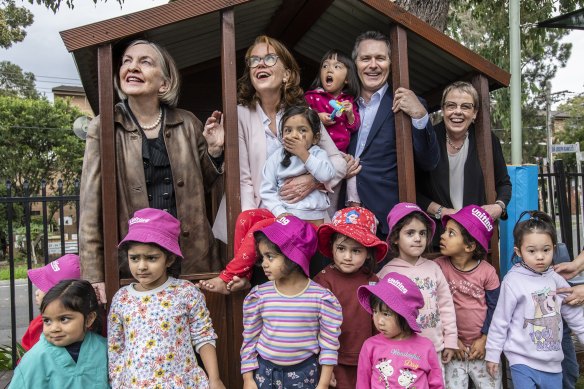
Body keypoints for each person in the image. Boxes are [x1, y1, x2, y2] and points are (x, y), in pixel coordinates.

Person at [79, 39, 225, 303]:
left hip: (190, 260)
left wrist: (214, 152)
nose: (132, 67)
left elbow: (203, 186)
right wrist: (93, 274)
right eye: (127, 61)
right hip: (136, 266)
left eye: (145, 62)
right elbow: (90, 206)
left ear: (164, 83)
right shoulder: (104, 127)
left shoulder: (188, 123)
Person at [211, 35, 349, 242]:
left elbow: (338, 162)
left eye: (269, 59)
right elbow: (243, 181)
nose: (260, 65)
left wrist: (312, 180)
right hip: (261, 218)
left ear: (287, 74)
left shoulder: (304, 113)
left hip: (307, 221)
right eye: (254, 61)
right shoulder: (238, 114)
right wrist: (254, 233)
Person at [200, 106, 335, 295]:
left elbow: (326, 174)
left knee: (259, 229)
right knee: (246, 218)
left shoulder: (317, 154)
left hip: (308, 223)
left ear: (315, 137)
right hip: (285, 217)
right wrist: (281, 214)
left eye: (302, 130)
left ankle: (229, 275)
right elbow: (267, 190)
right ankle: (244, 277)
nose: (294, 135)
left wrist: (304, 154)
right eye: (288, 130)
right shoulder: (277, 158)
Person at [108, 208, 224, 388]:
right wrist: (118, 383)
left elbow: (204, 336)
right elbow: (116, 348)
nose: (142, 266)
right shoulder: (121, 299)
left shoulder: (186, 292)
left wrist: (214, 379)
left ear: (169, 259)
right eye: (134, 258)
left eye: (151, 258)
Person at [346, 31, 440, 236]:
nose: (373, 65)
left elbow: (429, 161)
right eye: (365, 58)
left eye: (380, 58)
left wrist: (420, 115)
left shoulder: (407, 104)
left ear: (390, 62)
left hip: (387, 224)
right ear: (356, 64)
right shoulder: (344, 106)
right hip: (344, 222)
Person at [240, 216, 343, 389]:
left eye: (270, 257)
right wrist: (248, 379)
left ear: (292, 256)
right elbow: (250, 339)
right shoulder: (259, 296)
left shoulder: (321, 299)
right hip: (265, 374)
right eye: (263, 257)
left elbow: (329, 345)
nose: (263, 264)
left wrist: (323, 383)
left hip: (304, 375)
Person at [485, 211, 584, 388]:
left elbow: (574, 315)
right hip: (521, 360)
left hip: (553, 363)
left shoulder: (555, 279)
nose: (540, 256)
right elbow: (500, 321)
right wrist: (492, 354)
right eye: (532, 251)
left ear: (554, 248)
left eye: (546, 250)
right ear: (519, 251)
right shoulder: (512, 281)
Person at [416, 81, 511, 247]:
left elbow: (503, 183)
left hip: (475, 237)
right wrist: (441, 211)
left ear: (474, 113)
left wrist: (498, 207)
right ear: (443, 109)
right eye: (451, 105)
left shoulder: (487, 141)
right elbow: (414, 190)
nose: (457, 112)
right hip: (439, 238)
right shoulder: (429, 138)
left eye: (466, 107)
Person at [314, 207, 388, 388]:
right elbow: (314, 326)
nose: (347, 257)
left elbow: (380, 323)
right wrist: (324, 366)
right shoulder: (323, 280)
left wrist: (381, 356)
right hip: (333, 359)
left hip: (368, 358)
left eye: (356, 251)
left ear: (368, 253)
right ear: (332, 247)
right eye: (341, 248)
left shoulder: (373, 281)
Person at [378, 203, 458, 368]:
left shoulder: (434, 268)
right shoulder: (386, 273)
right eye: (410, 233)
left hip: (434, 348)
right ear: (395, 237)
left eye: (422, 233)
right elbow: (382, 314)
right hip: (400, 351)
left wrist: (450, 340)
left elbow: (446, 306)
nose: (418, 238)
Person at [434, 205, 502, 388]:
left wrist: (485, 339)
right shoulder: (438, 267)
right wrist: (451, 340)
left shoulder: (487, 273)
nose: (442, 236)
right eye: (445, 231)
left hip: (483, 348)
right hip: (452, 348)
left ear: (470, 245)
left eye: (451, 233)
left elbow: (496, 308)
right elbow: (433, 307)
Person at [9, 279, 108, 388]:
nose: (54, 328)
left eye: (64, 319)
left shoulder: (106, 350)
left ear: (89, 319)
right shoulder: (34, 359)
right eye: (47, 321)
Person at [356, 272, 444, 388]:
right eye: (375, 311)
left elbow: (436, 384)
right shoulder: (370, 346)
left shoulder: (426, 347)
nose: (379, 321)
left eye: (386, 314)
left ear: (405, 316)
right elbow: (362, 384)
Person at [305, 49, 361, 210]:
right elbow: (302, 116)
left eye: (337, 67)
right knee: (319, 185)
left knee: (352, 170)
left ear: (347, 79)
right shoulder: (312, 97)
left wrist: (350, 113)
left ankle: (352, 205)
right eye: (325, 66)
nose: (329, 70)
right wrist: (318, 117)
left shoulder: (348, 101)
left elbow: (354, 126)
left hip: (340, 154)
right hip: (317, 151)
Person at [21, 254, 81, 351]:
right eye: (47, 321)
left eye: (44, 287)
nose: (37, 293)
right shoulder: (37, 324)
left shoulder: (38, 325)